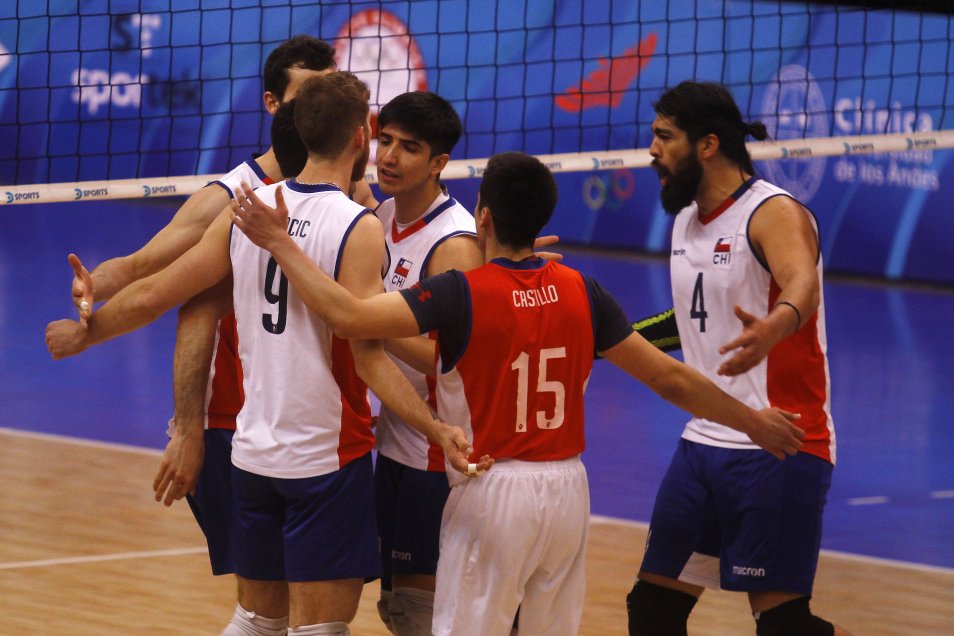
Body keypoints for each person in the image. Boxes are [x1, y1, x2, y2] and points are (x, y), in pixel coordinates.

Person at [226, 150, 805, 636]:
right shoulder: (583, 289)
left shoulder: (459, 293)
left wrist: (281, 242)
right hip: (569, 493)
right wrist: (752, 422)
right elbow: (670, 378)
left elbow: (348, 317)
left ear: (482, 215)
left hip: (491, 487)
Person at [46, 71, 477, 636]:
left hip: (252, 454)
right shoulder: (359, 227)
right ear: (360, 138)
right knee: (321, 629)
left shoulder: (247, 209)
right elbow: (367, 349)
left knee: (256, 621)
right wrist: (432, 421)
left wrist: (88, 332)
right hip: (326, 455)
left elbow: (162, 291)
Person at [54, 35, 347, 636]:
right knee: (276, 613)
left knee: (303, 612)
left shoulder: (353, 193)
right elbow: (148, 272)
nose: (324, 106)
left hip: (321, 429)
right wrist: (94, 296)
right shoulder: (233, 199)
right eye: (307, 95)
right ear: (273, 105)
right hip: (240, 428)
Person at [625, 81, 851, 636]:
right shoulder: (685, 220)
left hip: (779, 440)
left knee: (783, 626)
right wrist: (610, 339)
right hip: (706, 437)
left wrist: (777, 322)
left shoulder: (773, 212)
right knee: (651, 611)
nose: (651, 149)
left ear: (706, 145)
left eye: (664, 136)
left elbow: (801, 283)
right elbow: (693, 322)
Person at [365, 91, 482, 635]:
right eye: (384, 140)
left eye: (408, 148)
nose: (388, 157)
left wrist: (368, 320)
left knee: (421, 611)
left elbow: (455, 359)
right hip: (393, 441)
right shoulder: (377, 214)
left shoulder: (453, 243)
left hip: (435, 454)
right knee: (395, 605)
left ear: (439, 163)